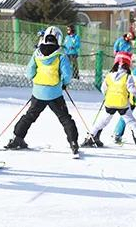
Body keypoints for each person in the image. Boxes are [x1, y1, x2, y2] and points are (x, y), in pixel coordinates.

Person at [4, 26, 80, 156]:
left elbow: (29, 73)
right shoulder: (61, 54)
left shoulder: (37, 53)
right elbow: (67, 74)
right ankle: (73, 142)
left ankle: (17, 139)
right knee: (65, 118)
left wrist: (38, 81)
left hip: (38, 92)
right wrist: (64, 84)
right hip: (55, 93)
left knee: (29, 116)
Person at [81, 53, 136, 152]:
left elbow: (103, 88)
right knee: (132, 122)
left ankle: (90, 138)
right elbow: (132, 90)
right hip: (122, 104)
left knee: (102, 121)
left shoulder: (109, 75)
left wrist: (107, 95)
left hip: (110, 102)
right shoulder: (127, 76)